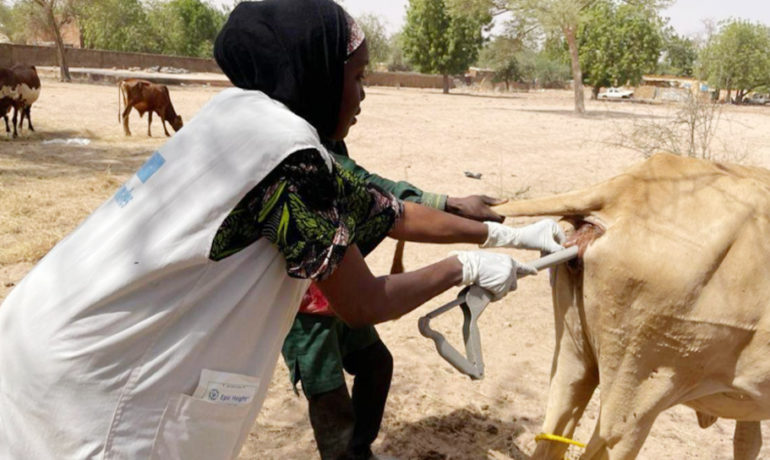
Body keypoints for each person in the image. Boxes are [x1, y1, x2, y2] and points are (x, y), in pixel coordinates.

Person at [0, 1, 564, 459]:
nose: (364, 92)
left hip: (43, 337)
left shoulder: (243, 122)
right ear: (315, 71)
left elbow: (388, 209)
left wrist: (507, 236)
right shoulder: (288, 157)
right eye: (358, 76)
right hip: (94, 393)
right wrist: (464, 269)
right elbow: (363, 302)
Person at [283, 145, 523, 460]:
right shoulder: (305, 153)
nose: (362, 97)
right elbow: (385, 198)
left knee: (377, 364)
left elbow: (376, 195)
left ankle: (359, 450)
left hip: (341, 296)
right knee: (328, 395)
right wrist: (456, 214)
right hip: (305, 313)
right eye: (355, 90)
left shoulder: (330, 144)